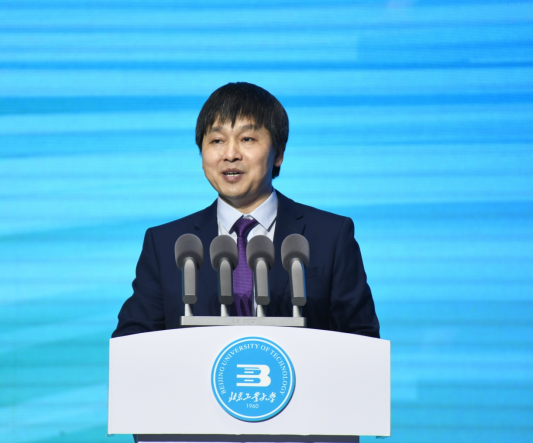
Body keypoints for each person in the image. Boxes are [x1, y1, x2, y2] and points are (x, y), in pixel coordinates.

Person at [112, 82, 379, 339]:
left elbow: (362, 342)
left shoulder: (331, 237)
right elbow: (131, 345)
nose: (230, 154)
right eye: (217, 140)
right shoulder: (166, 244)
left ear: (278, 153)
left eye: (247, 139)